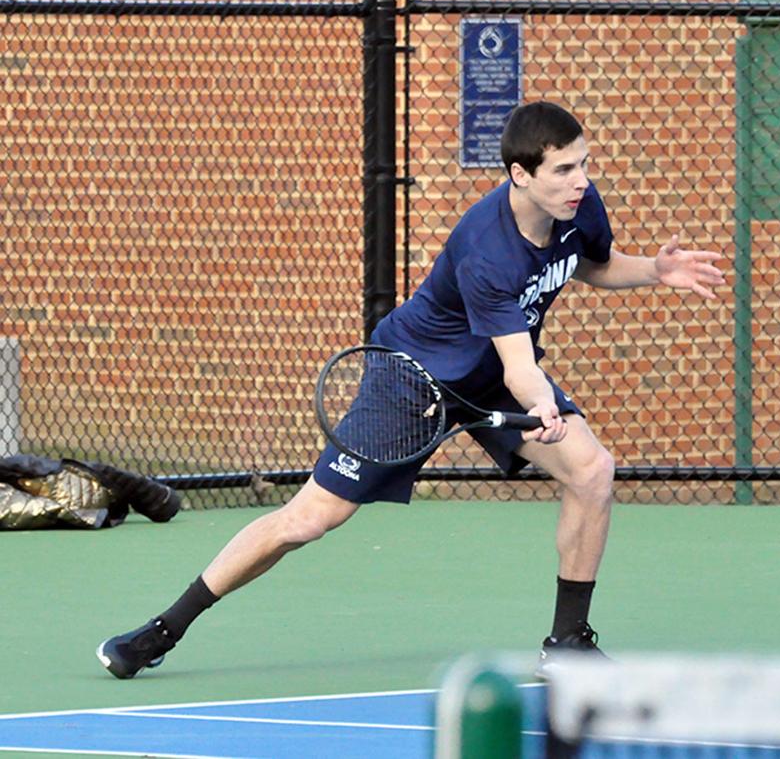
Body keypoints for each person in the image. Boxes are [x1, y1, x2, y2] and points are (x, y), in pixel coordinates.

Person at [96, 101, 724, 679]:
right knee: (310, 519)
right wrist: (539, 406)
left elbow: (588, 263)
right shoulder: (487, 251)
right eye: (563, 169)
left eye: (583, 163)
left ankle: (567, 644)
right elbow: (519, 368)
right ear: (519, 174)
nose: (580, 179)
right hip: (413, 376)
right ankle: (163, 629)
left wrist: (655, 270)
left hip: (490, 371)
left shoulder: (578, 207)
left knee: (591, 471)